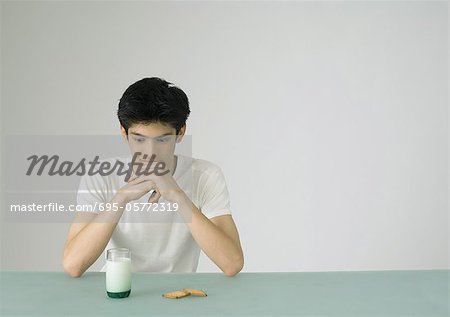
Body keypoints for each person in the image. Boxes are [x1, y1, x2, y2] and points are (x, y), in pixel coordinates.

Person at [62, 77, 244, 277]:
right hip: (118, 294)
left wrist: (178, 196)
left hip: (178, 296)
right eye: (139, 139)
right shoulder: (99, 174)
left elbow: (232, 263)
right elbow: (73, 265)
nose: (150, 152)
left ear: (180, 132)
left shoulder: (205, 175)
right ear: (123, 132)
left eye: (162, 140)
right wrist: (120, 199)